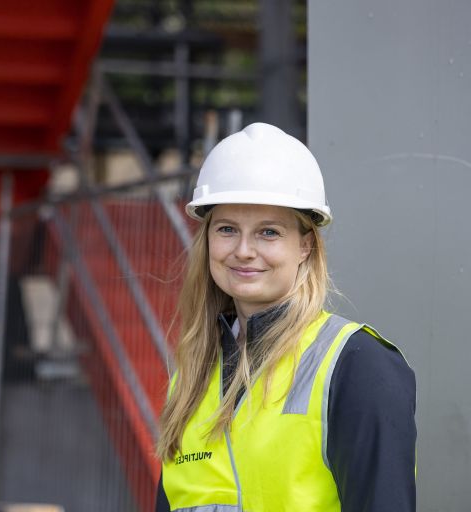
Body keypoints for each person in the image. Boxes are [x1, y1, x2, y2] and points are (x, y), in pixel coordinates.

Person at [154, 123, 416, 512]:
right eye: (227, 229)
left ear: (306, 246)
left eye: (269, 232)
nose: (243, 250)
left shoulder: (357, 364)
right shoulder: (191, 377)